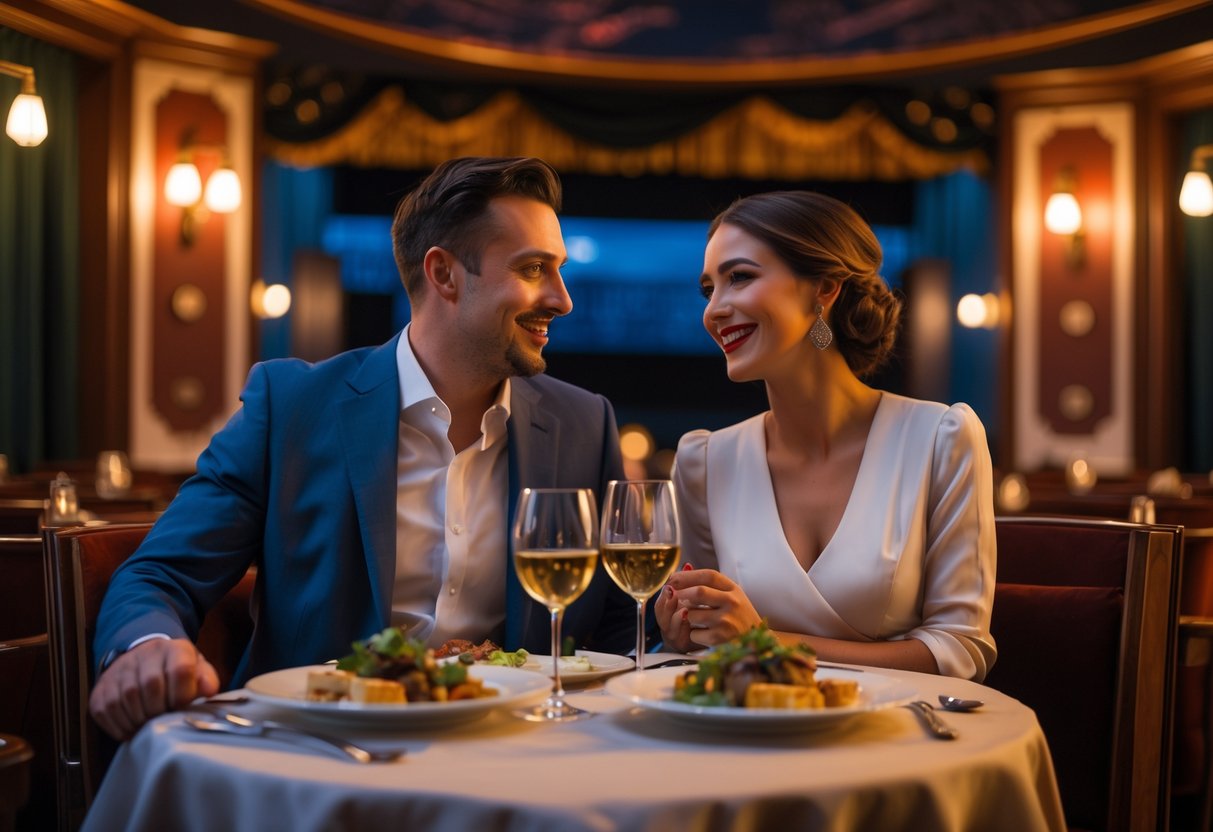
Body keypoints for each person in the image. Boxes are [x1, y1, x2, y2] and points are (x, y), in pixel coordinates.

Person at [90, 157, 636, 740]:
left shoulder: (583, 422)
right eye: (533, 269)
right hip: (316, 752)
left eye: (558, 271)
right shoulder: (292, 406)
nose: (562, 299)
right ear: (444, 275)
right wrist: (147, 647)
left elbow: (616, 628)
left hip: (514, 751)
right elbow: (159, 575)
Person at [655, 191, 996, 681]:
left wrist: (763, 640)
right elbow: (704, 650)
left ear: (825, 288)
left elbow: (960, 652)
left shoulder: (941, 438)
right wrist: (683, 632)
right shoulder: (704, 461)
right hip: (746, 736)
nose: (714, 309)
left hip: (893, 740)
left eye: (740, 277)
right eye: (708, 289)